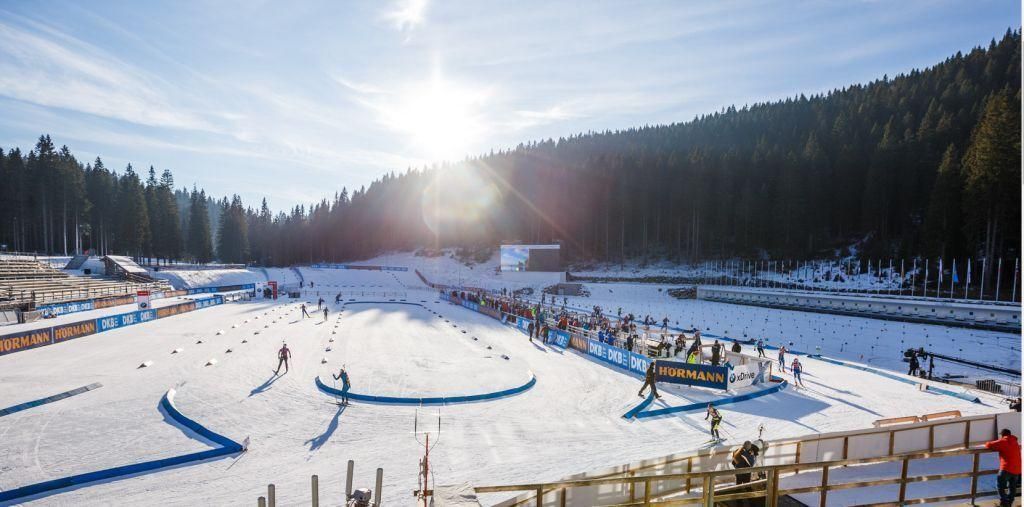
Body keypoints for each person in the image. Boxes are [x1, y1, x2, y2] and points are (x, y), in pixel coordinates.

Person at [985, 429, 1021, 507]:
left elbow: (988, 445)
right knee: (1012, 487)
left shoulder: (1003, 441)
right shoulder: (1015, 442)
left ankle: (1004, 502)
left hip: (1006, 468)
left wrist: (997, 441)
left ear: (1003, 435)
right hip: (1017, 469)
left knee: (1000, 485)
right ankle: (1010, 502)